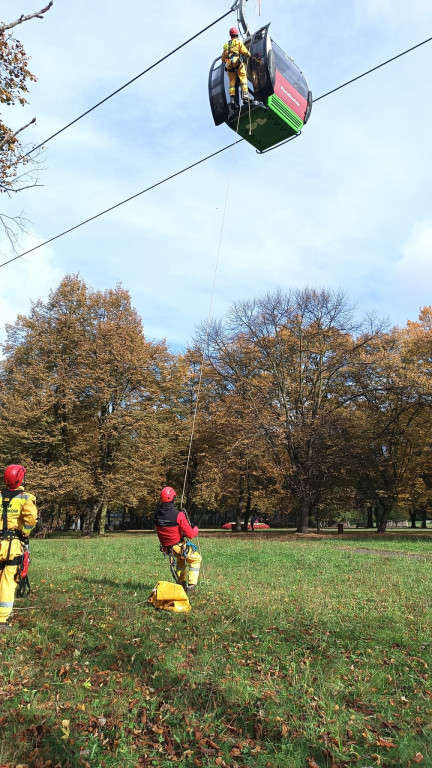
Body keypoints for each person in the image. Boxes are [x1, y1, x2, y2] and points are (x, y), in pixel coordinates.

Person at [0, 464, 38, 633]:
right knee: (8, 581)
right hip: (13, 545)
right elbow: (31, 519)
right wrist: (25, 534)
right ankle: (1, 620)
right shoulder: (25, 498)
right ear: (21, 478)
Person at [154, 486, 201, 594]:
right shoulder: (179, 515)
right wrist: (196, 528)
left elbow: (168, 529)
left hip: (166, 548)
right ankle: (191, 586)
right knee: (196, 559)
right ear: (172, 498)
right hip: (178, 547)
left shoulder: (157, 514)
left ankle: (181, 583)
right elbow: (190, 534)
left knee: (181, 561)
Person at [222, 26, 252, 107]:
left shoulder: (226, 45)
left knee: (232, 83)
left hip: (229, 66)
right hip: (237, 63)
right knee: (243, 77)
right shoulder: (238, 42)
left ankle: (232, 100)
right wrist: (249, 54)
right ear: (237, 34)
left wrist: (228, 62)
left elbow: (223, 59)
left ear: (230, 35)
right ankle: (245, 95)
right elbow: (243, 50)